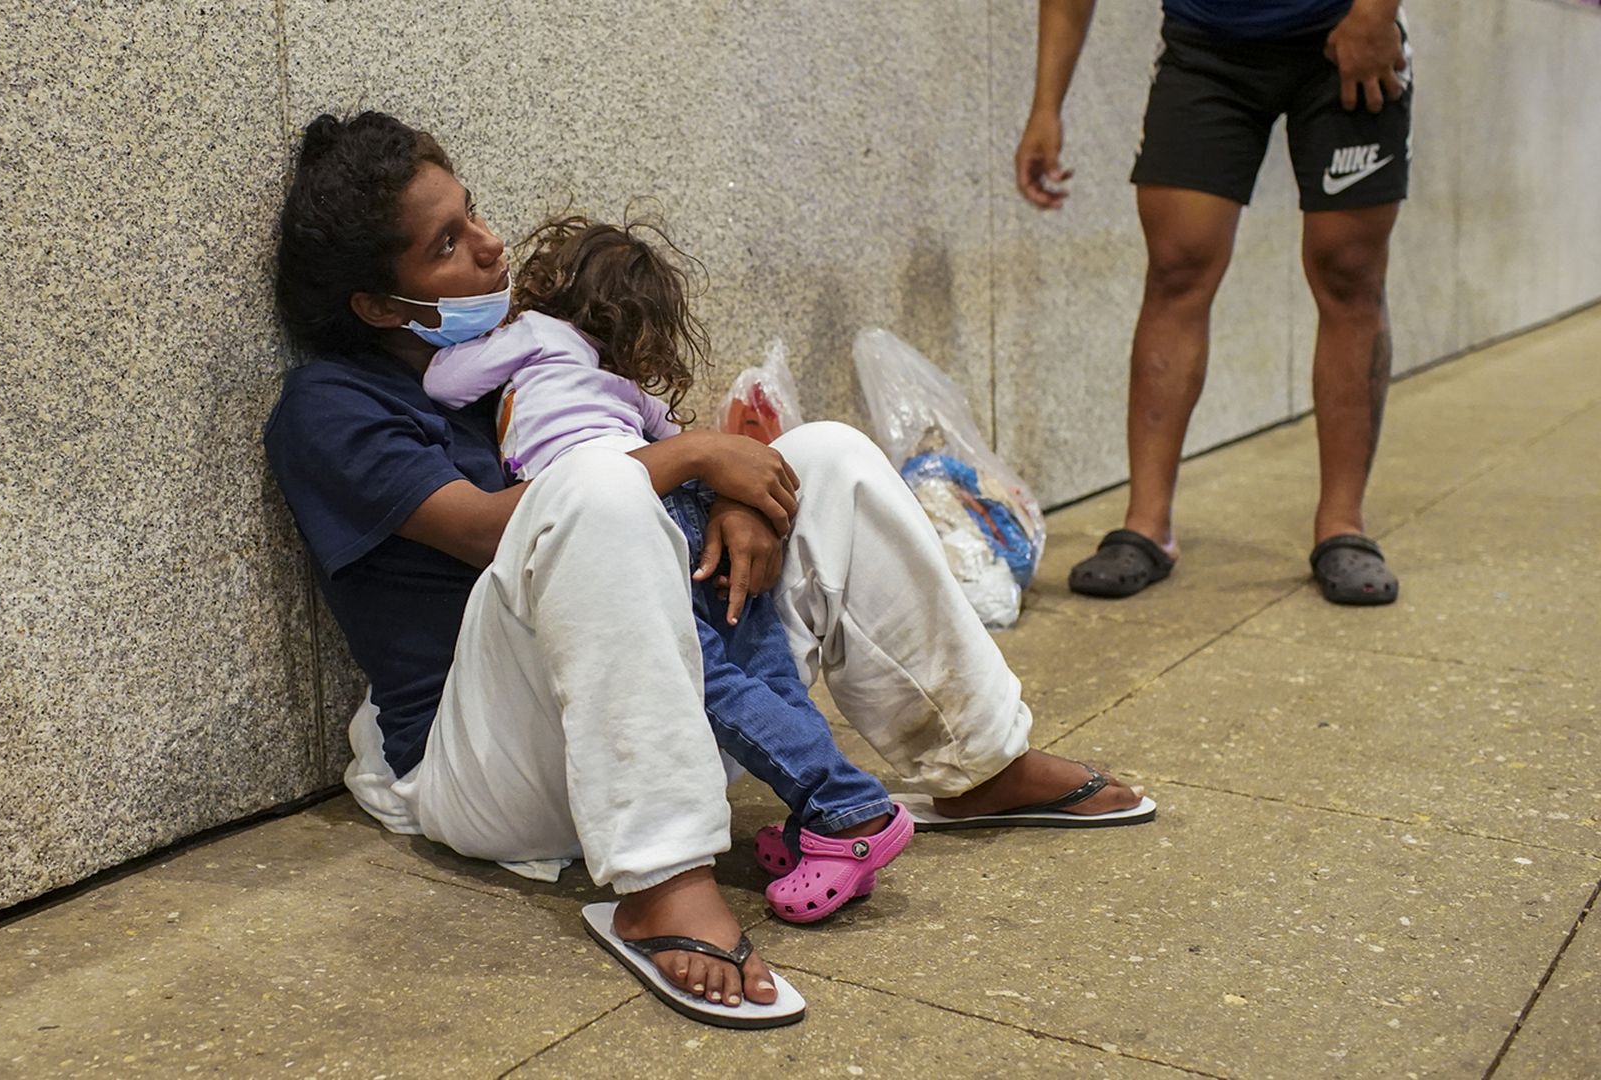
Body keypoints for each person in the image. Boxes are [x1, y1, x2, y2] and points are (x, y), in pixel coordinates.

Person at [264, 111, 1154, 1028]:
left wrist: (733, 493)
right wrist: (694, 458)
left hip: (658, 720)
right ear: (379, 305)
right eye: (446, 244)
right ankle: (661, 886)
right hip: (489, 765)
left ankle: (978, 764)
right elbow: (495, 529)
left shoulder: (524, 350)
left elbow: (648, 443)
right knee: (595, 489)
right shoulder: (329, 408)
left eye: (474, 213)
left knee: (829, 457)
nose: (490, 245)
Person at [419, 214, 912, 926]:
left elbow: (442, 383)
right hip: (684, 508)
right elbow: (689, 448)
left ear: (553, 287)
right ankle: (824, 815)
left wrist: (495, 334)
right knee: (766, 671)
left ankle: (849, 812)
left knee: (700, 679)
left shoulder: (536, 336)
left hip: (621, 525)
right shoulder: (625, 390)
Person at [1016, 0, 1411, 605]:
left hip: (1345, 33)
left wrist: (1375, 15)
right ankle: (1148, 525)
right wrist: (1047, 105)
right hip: (1206, 43)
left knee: (1349, 273)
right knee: (1176, 268)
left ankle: (1342, 525)